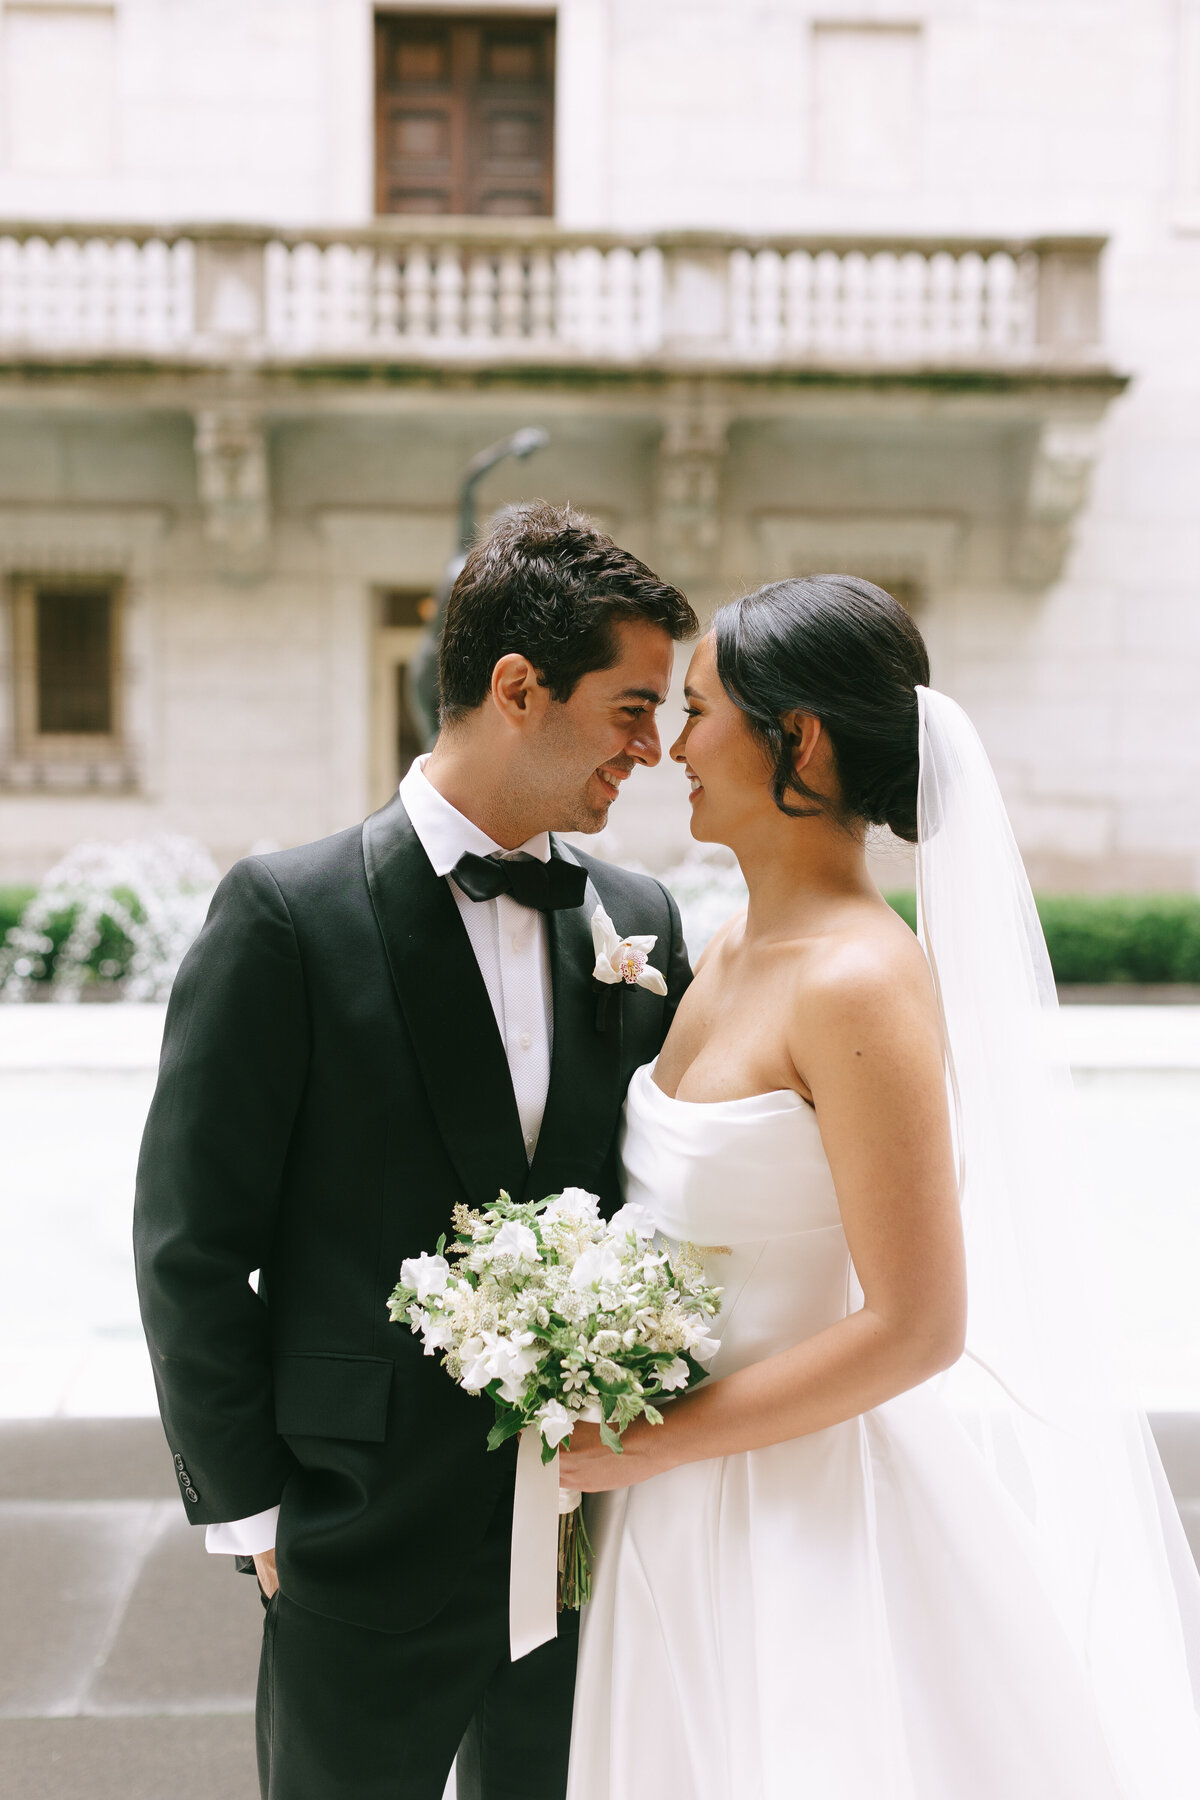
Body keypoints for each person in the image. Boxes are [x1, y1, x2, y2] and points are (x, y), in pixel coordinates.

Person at [560, 575, 1200, 1800]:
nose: (672, 749)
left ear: (795, 738)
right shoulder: (730, 945)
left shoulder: (859, 981)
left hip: (797, 1520)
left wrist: (651, 1443)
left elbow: (917, 1326)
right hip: (664, 1504)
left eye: (699, 713)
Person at [133, 501, 697, 1800]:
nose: (655, 751)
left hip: (584, 1549)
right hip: (354, 1535)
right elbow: (191, 1248)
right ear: (517, 688)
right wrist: (258, 1516)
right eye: (630, 708)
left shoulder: (641, 917)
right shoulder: (285, 916)